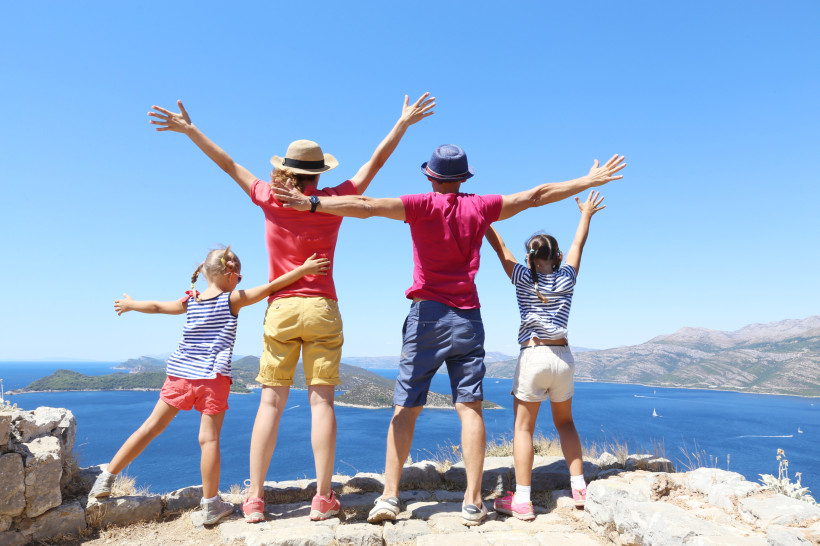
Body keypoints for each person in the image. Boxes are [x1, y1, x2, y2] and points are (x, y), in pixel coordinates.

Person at [272, 145, 625, 525]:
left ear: (430, 176)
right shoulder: (480, 207)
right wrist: (587, 181)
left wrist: (312, 206)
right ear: (463, 178)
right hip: (468, 317)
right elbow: (536, 196)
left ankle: (390, 497)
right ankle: (473, 502)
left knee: (405, 406)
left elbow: (366, 205)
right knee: (469, 407)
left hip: (426, 315)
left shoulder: (420, 205)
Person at [148, 93, 435, 523]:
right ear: (318, 174)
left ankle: (255, 500)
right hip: (321, 306)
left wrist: (190, 131)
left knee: (270, 404)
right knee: (322, 404)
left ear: (287, 169)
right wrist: (402, 125)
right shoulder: (333, 201)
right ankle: (323, 498)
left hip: (281, 307)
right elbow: (372, 166)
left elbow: (227, 164)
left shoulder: (269, 197)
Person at [88, 247, 329, 526]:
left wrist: (131, 304)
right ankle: (211, 504)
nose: (240, 283)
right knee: (209, 439)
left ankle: (106, 478)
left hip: (179, 374)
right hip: (213, 378)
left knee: (150, 427)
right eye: (240, 278)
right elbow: (270, 287)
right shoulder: (231, 301)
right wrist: (302, 271)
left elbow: (156, 306)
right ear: (230, 275)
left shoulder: (191, 300)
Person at [484, 191, 605, 520]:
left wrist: (482, 217)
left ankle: (522, 499)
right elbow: (579, 246)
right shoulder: (566, 278)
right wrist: (586, 214)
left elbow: (500, 248)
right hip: (563, 356)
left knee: (524, 429)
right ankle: (579, 487)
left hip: (534, 355)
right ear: (557, 256)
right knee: (565, 422)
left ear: (530, 258)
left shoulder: (522, 278)